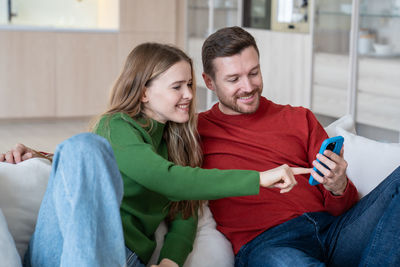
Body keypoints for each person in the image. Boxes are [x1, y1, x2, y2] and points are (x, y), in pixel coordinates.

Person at [1, 42, 310, 267]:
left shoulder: (181, 143)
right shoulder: (116, 126)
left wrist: (170, 261)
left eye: (189, 84)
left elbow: (185, 214)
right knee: (83, 147)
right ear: (144, 92)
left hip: (126, 259)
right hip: (64, 251)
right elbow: (162, 178)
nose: (189, 94)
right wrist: (258, 178)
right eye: (177, 86)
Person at [197, 26, 400, 266]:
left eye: (254, 73)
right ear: (209, 82)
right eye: (233, 79)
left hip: (334, 231)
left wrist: (338, 185)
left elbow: (342, 205)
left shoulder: (298, 118)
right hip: (269, 244)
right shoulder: (197, 132)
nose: (248, 86)